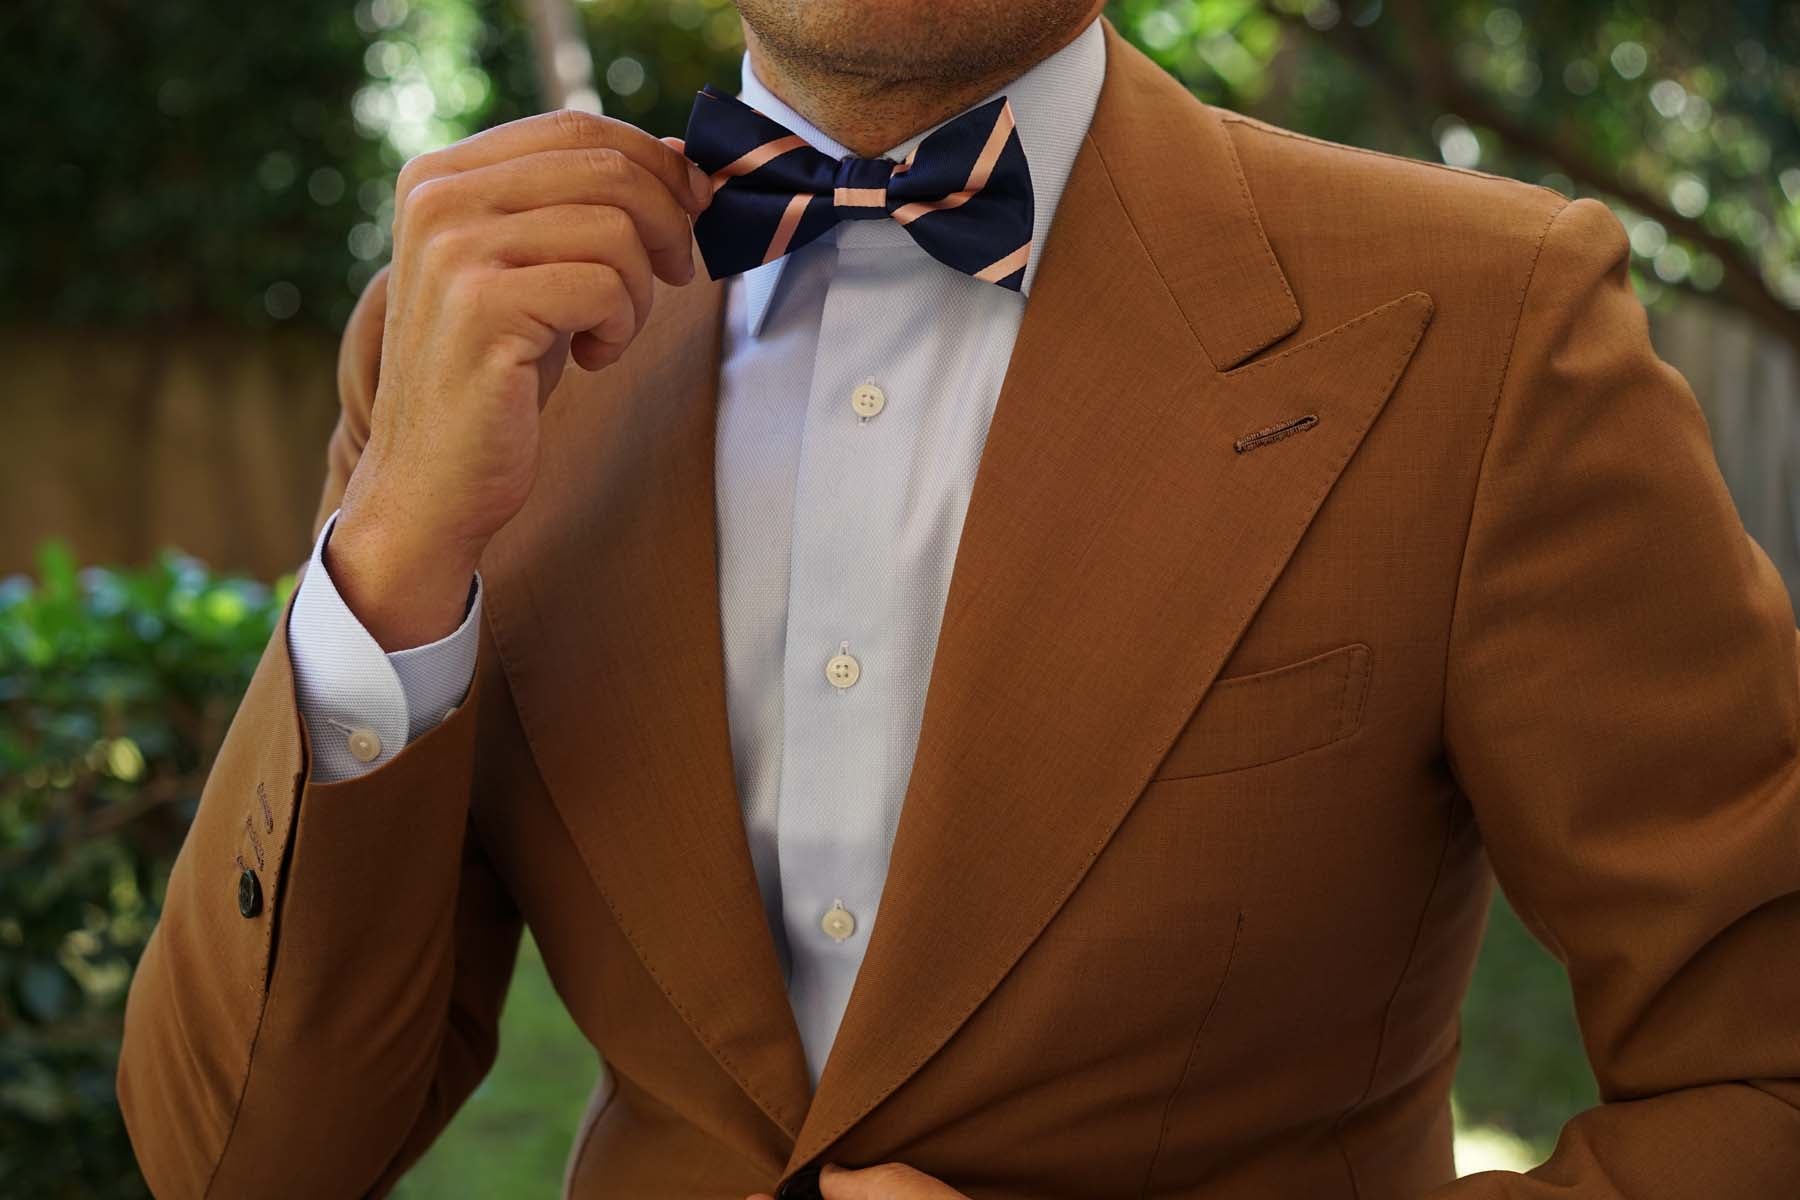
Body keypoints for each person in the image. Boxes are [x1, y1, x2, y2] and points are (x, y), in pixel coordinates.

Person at [116, 1, 1800, 1196]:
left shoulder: (1489, 321)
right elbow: (243, 1163)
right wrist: (394, 564)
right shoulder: (464, 344)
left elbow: (1762, 1082)